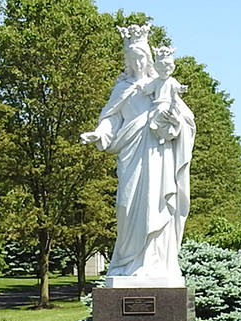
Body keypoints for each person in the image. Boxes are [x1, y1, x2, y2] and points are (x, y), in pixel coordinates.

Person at [81, 25, 195, 286]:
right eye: (131, 58)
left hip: (158, 155)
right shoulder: (122, 87)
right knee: (127, 206)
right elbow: (111, 118)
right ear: (127, 59)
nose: (137, 62)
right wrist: (99, 133)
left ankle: (155, 263)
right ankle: (127, 263)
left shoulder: (161, 85)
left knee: (156, 204)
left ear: (148, 57)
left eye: (141, 56)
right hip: (131, 155)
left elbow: (186, 119)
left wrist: (173, 120)